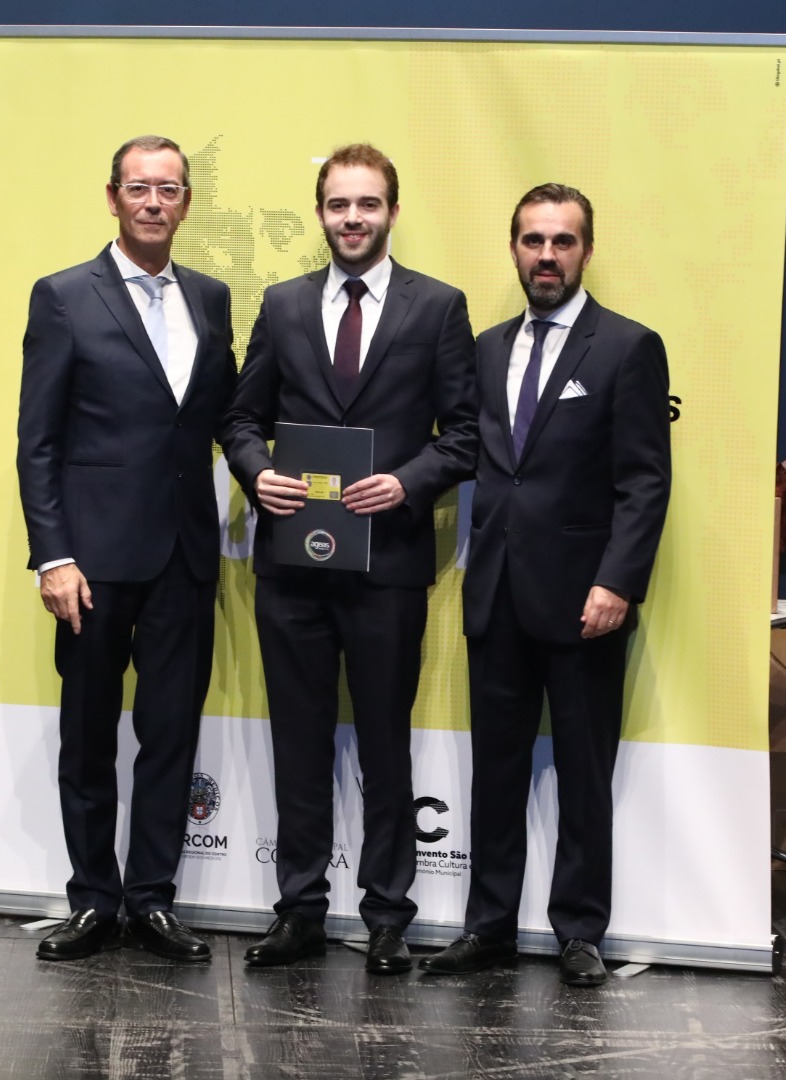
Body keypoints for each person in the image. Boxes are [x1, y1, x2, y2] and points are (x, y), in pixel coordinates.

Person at [220, 144, 478, 974]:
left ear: (392, 212)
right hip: (291, 569)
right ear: (321, 213)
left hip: (387, 567)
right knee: (297, 744)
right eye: (339, 204)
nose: (353, 218)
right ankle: (298, 909)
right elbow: (241, 419)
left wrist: (406, 484)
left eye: (368, 204)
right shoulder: (283, 304)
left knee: (383, 746)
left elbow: (465, 436)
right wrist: (257, 472)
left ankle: (387, 916)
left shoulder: (438, 307)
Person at [419, 184, 671, 987]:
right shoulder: (488, 347)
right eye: (533, 241)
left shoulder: (628, 347)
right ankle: (488, 927)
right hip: (495, 593)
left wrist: (617, 582)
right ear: (514, 249)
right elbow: (471, 452)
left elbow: (644, 480)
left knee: (583, 772)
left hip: (584, 600)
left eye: (563, 241)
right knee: (495, 772)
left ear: (586, 250)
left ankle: (580, 932)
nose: (547, 256)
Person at [16, 135, 237, 964]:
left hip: (185, 556)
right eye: (139, 187)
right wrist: (53, 556)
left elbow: (222, 418)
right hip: (93, 563)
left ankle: (151, 900)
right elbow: (38, 441)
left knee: (171, 735)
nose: (153, 202)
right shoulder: (64, 296)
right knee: (88, 736)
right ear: (113, 197)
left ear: (186, 203)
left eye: (168, 189)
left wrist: (273, 469)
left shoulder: (211, 298)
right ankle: (92, 900)